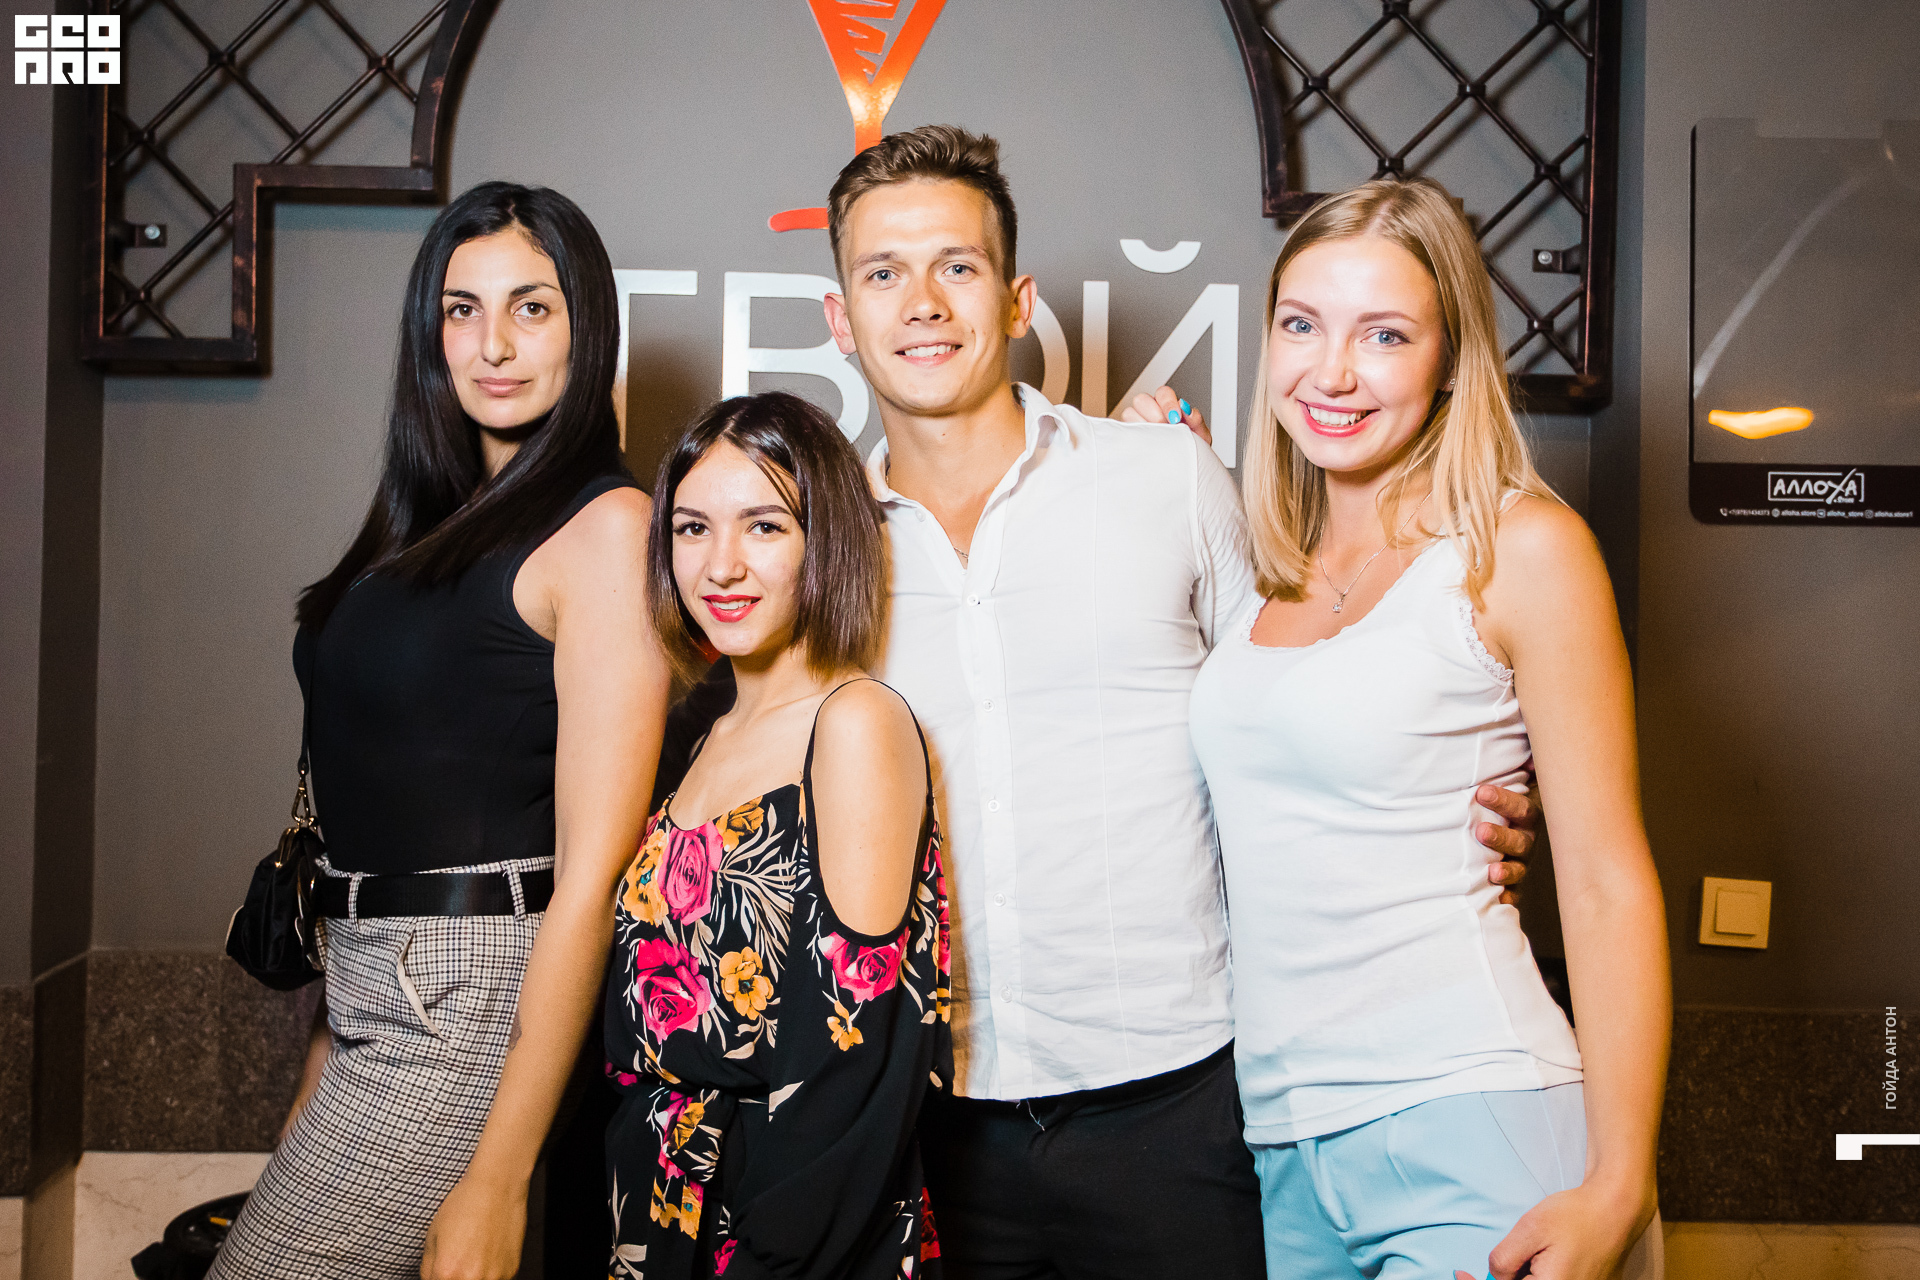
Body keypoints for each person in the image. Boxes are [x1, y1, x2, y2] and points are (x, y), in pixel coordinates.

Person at [641, 124, 1539, 1280]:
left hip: (1182, 1111)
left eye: (957, 266)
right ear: (839, 317)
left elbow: (1298, 702)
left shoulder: (1168, 478)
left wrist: (1456, 800)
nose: (923, 302)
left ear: (1017, 300)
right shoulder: (816, 554)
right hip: (931, 1121)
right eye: (884, 272)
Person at [1185, 177, 1669, 1280]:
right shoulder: (1265, 573)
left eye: (1385, 335)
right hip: (1287, 1149)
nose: (1331, 372)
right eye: (1301, 325)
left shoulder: (1520, 550)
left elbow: (1605, 880)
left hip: (1474, 1119)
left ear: (1452, 359)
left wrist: (1619, 1184)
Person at [212, 181, 670, 1280]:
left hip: (469, 994)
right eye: (463, 310)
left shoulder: (607, 528)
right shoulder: (425, 516)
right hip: (363, 978)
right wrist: (321, 1059)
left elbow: (592, 873)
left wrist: (501, 1175)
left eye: (532, 308)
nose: (493, 345)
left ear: (588, 329)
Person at [603, 391, 951, 1279]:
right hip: (660, 1209)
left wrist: (767, 1258)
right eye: (692, 529)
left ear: (824, 540)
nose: (721, 565)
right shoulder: (701, 735)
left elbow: (854, 1058)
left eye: (763, 526)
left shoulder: (854, 723)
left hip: (786, 1230)